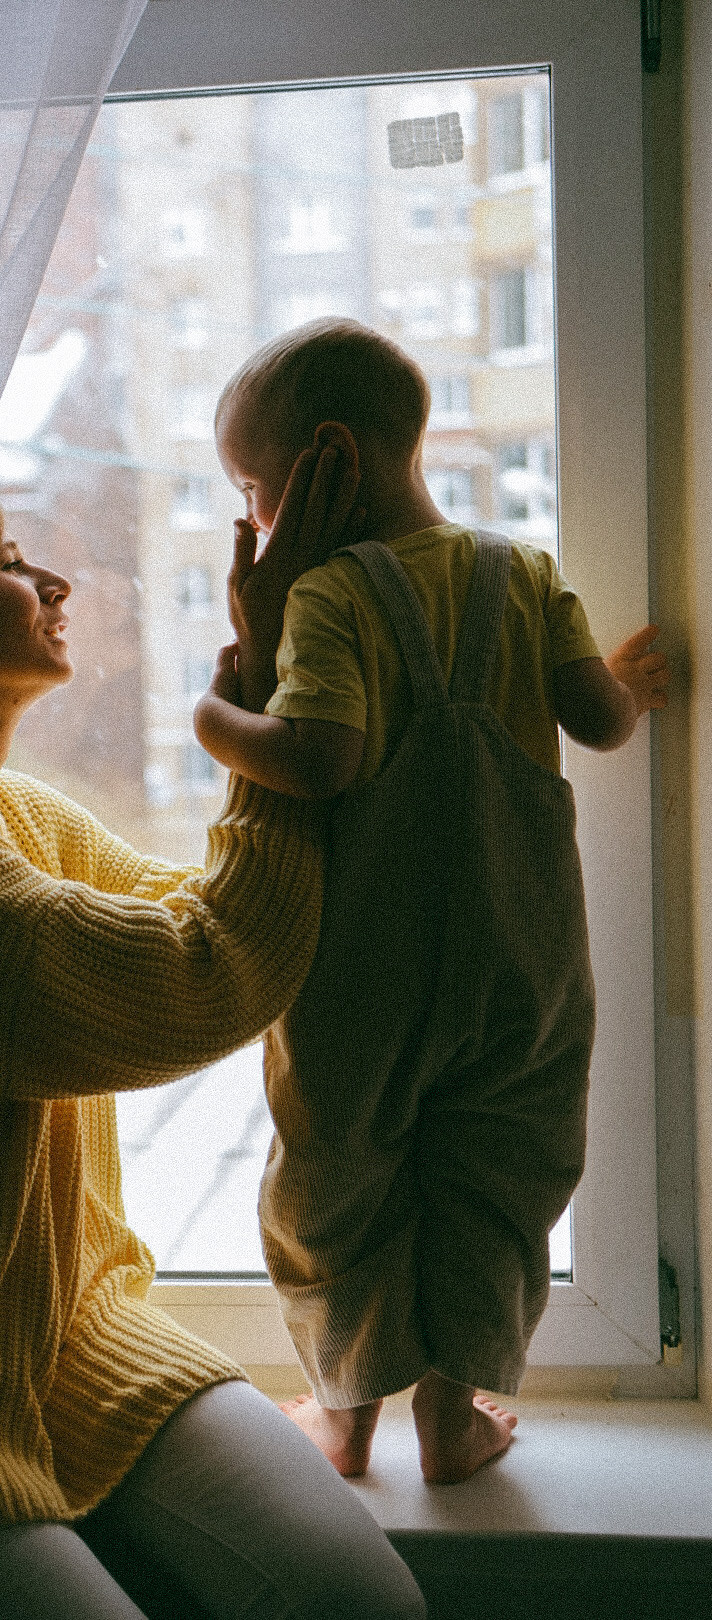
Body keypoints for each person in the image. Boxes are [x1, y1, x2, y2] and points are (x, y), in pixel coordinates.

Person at [0, 487, 426, 1619]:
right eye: (7, 565)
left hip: (84, 1342)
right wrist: (269, 705)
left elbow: (226, 914)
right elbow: (203, 975)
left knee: (367, 1602)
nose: (51, 581)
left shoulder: (19, 817)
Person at [193, 318, 669, 1487]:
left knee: (334, 1176)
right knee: (503, 1171)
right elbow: (597, 720)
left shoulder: (330, 596)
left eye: (253, 490)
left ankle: (347, 1414)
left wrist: (215, 717)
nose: (254, 519)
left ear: (330, 460)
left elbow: (324, 759)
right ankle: (454, 1417)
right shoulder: (526, 574)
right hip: (524, 958)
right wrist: (630, 684)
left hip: (367, 965)